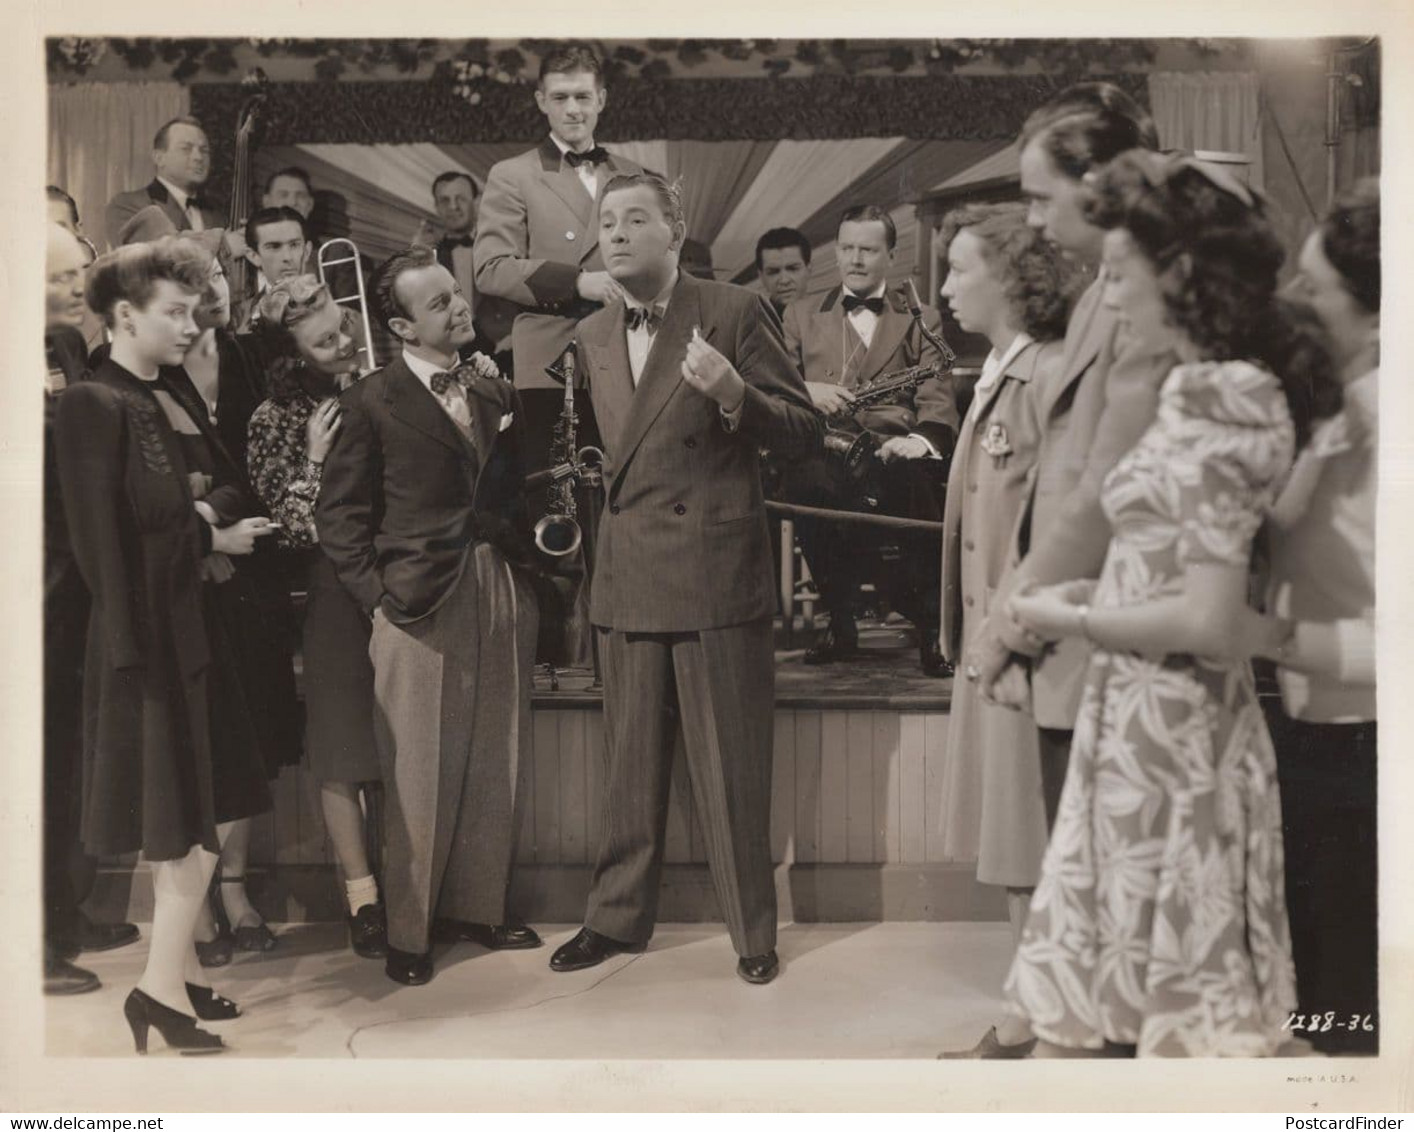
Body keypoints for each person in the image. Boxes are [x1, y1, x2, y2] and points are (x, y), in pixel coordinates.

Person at [1002, 150, 1336, 1057]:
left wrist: (1070, 620)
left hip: (1177, 729)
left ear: (1178, 274)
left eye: (1118, 275)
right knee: (1119, 1012)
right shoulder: (1204, 392)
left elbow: (1208, 620)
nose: (1107, 301)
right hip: (1142, 718)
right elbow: (1173, 560)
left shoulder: (1222, 396)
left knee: (1183, 1029)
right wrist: (1090, 588)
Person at [547, 172, 820, 985]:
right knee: (628, 768)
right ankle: (615, 921)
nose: (620, 233)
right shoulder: (593, 334)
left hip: (713, 569)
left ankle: (751, 933)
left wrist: (738, 395)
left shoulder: (733, 312)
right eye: (609, 221)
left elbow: (804, 429)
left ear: (675, 230)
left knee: (730, 767)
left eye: (638, 218)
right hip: (629, 571)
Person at [55, 237, 281, 1053]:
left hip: (196, 624)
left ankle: (172, 975)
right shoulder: (92, 402)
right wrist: (207, 534)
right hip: (144, 638)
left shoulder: (172, 389)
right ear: (124, 316)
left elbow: (233, 484)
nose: (191, 327)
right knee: (181, 819)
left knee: (201, 813)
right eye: (174, 314)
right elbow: (99, 543)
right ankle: (156, 992)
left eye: (193, 312)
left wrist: (202, 517)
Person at [315, 245, 543, 986]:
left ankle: (478, 908)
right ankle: (409, 934)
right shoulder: (368, 402)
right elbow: (340, 517)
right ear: (402, 327)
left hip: (495, 581)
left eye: (456, 294)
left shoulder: (491, 391)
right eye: (439, 302)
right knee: (415, 771)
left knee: (493, 751)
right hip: (415, 599)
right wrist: (377, 599)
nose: (459, 307)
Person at [965, 84, 1172, 895]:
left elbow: (1096, 488)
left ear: (1101, 186)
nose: (1036, 220)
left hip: (1110, 633)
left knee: (1111, 896)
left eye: (1042, 198)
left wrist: (1010, 619)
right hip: (1070, 637)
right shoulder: (1099, 296)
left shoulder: (1144, 299)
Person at [930, 204, 1079, 1057]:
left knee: (1029, 841)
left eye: (959, 269)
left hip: (1027, 650)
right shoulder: (1000, 370)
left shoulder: (1044, 375)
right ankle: (1030, 1007)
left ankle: (1038, 1018)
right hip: (995, 648)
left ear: (1014, 280)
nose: (946, 286)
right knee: (1012, 842)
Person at [1236, 178, 1378, 1055]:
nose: (1296, 300)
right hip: (1320, 722)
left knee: (1352, 1004)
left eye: (1314, 287)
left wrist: (1266, 637)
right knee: (1327, 984)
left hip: (1364, 736)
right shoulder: (1347, 400)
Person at [247, 275, 388, 960]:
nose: (342, 343)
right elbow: (291, 528)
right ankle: (362, 898)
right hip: (331, 593)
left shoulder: (384, 385)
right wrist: (312, 454)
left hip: (397, 580)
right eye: (323, 339)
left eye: (343, 327)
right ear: (291, 355)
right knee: (341, 747)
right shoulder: (273, 418)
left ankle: (411, 889)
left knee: (399, 741)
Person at [780, 204, 959, 676]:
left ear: (891, 256)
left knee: (912, 491)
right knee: (806, 489)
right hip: (826, 445)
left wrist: (920, 440)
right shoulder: (800, 314)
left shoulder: (923, 316)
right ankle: (841, 623)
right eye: (846, 248)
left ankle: (929, 629)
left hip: (894, 447)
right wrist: (808, 391)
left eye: (868, 249)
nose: (855, 259)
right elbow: (775, 385)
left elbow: (936, 396)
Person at [43, 223, 141, 997]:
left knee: (68, 758)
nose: (79, 289)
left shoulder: (71, 352)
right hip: (35, 586)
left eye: (82, 274)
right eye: (61, 277)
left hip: (71, 583)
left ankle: (61, 913)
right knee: (36, 767)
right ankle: (34, 940)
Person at [473, 43, 643, 444]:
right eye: (560, 97)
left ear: (601, 99)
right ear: (541, 102)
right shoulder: (513, 175)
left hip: (626, 349)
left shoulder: (634, 174)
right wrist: (579, 283)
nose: (573, 109)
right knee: (557, 490)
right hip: (551, 357)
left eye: (583, 96)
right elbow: (490, 268)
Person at [413, 171, 514, 360]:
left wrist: (512, 336)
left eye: (460, 198)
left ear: (476, 202)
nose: (453, 206)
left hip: (505, 345)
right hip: (455, 351)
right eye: (444, 200)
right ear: (436, 206)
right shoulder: (430, 254)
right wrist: (416, 257)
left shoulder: (502, 242)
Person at [104, 117, 225, 250]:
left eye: (204, 150)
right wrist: (224, 244)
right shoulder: (126, 205)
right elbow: (158, 254)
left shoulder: (217, 214)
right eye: (186, 149)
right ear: (159, 158)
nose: (198, 157)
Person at [237, 206, 312, 331]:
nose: (287, 257)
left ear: (307, 251)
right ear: (254, 256)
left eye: (294, 245)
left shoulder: (339, 313)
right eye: (274, 247)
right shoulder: (237, 318)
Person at [755, 227, 812, 318]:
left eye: (793, 269)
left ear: (808, 270)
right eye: (773, 272)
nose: (784, 281)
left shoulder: (834, 319)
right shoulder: (750, 327)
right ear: (761, 276)